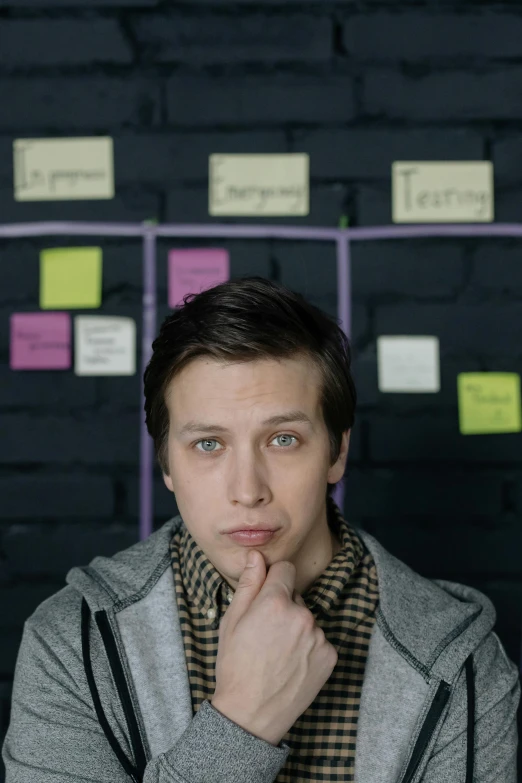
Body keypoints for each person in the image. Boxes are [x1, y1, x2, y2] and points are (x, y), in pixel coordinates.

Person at [2, 276, 520, 782]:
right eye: (208, 444)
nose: (248, 490)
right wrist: (243, 721)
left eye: (283, 440)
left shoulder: (464, 664)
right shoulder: (72, 643)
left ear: (337, 451)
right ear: (166, 464)